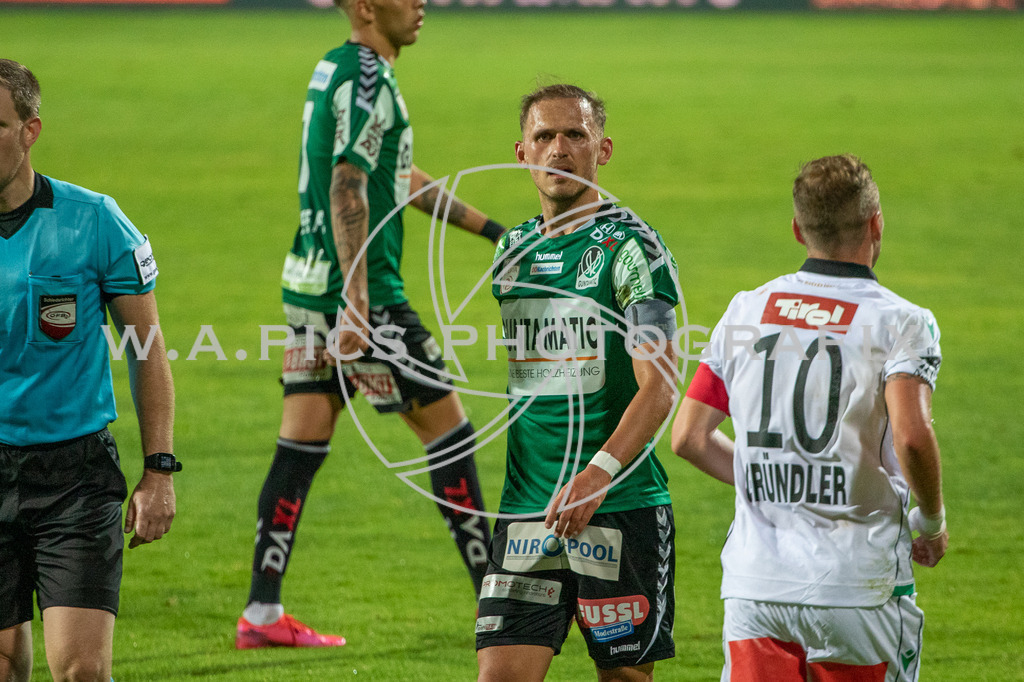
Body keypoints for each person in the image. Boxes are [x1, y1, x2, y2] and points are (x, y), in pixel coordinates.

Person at [236, 0, 506, 649]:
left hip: (306, 286)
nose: (420, 7)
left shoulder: (336, 67)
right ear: (364, 8)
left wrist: (493, 231)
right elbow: (349, 185)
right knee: (451, 438)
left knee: (299, 445)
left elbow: (395, 175)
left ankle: (262, 614)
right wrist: (358, 304)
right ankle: (500, 607)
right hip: (362, 296)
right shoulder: (368, 79)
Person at [671, 154, 948, 681]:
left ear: (798, 230)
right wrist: (931, 522)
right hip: (858, 589)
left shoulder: (745, 310)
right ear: (876, 223)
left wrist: (773, 478)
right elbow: (912, 436)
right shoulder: (903, 322)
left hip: (756, 589)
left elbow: (688, 437)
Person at [475, 84, 679, 682]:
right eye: (544, 136)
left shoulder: (632, 249)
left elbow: (661, 386)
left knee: (622, 679)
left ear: (603, 149)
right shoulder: (512, 250)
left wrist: (598, 474)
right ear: (522, 151)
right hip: (528, 513)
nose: (558, 150)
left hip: (619, 506)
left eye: (575, 136)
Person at [0, 59, 178, 682]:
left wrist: (159, 469)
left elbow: (147, 348)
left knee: (80, 670)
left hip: (73, 479)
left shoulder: (95, 221)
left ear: (30, 130)